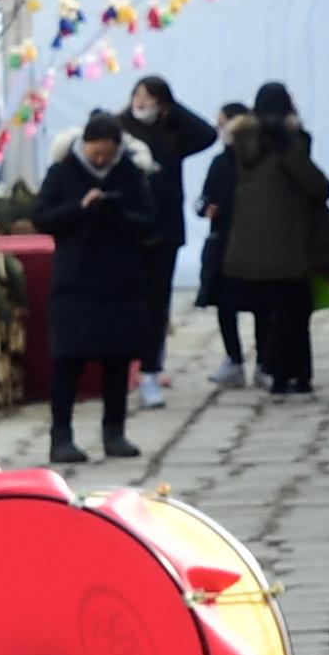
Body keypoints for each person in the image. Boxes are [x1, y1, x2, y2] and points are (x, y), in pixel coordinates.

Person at [30, 110, 157, 466]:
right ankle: (61, 437)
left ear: (117, 150)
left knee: (117, 361)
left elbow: (147, 222)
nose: (99, 160)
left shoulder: (130, 174)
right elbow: (42, 218)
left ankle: (114, 432)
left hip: (120, 283)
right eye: (94, 153)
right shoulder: (62, 172)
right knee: (67, 362)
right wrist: (79, 209)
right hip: (74, 282)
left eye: (106, 154)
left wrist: (115, 213)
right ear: (83, 146)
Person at [221, 82, 329, 395]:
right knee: (295, 308)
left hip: (251, 243)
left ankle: (274, 372)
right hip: (290, 240)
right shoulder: (292, 141)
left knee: (269, 310)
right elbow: (314, 184)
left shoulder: (240, 144)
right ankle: (296, 374)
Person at [121, 77, 216, 409]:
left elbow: (208, 134)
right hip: (128, 230)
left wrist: (173, 110)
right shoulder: (121, 130)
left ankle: (150, 370)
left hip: (164, 229)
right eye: (137, 95)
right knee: (128, 301)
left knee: (157, 303)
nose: (141, 102)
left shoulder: (173, 134)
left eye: (150, 97)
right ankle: (125, 367)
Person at [197, 100, 250, 383]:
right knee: (225, 304)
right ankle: (234, 357)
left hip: (252, 240)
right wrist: (206, 206)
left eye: (223, 124)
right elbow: (205, 197)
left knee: (261, 304)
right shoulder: (220, 162)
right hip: (222, 243)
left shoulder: (256, 159)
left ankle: (265, 358)